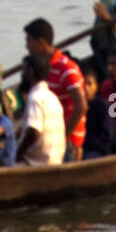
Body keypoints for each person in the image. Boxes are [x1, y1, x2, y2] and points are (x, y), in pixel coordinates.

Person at [23, 18, 87, 160]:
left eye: (29, 42)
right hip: (50, 139)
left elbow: (81, 106)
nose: (27, 47)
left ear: (41, 43)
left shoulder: (66, 68)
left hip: (68, 142)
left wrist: (63, 139)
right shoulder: (43, 68)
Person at [16, 53, 66, 165]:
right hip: (56, 160)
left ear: (30, 72)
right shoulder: (53, 97)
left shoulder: (35, 97)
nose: (22, 75)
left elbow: (34, 131)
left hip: (37, 163)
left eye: (24, 71)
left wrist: (18, 153)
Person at [80, 59, 116, 160]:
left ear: (96, 87)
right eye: (83, 85)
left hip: (99, 151)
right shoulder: (75, 106)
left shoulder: (103, 106)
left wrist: (84, 143)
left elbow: (108, 136)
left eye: (89, 84)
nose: (86, 89)